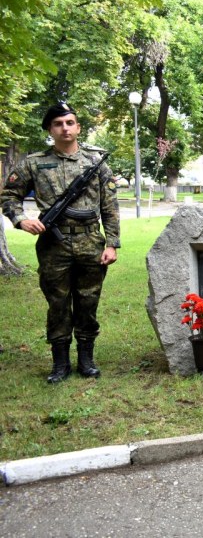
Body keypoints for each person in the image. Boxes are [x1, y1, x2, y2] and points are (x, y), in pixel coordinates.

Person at [0, 103, 120, 383]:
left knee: (88, 300)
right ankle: (60, 363)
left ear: (78, 127)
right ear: (50, 130)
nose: (65, 128)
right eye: (58, 124)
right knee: (57, 303)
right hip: (53, 245)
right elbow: (8, 196)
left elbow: (110, 206)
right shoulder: (34, 162)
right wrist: (20, 220)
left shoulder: (95, 162)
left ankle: (87, 359)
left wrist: (112, 243)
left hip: (90, 241)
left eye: (69, 122)